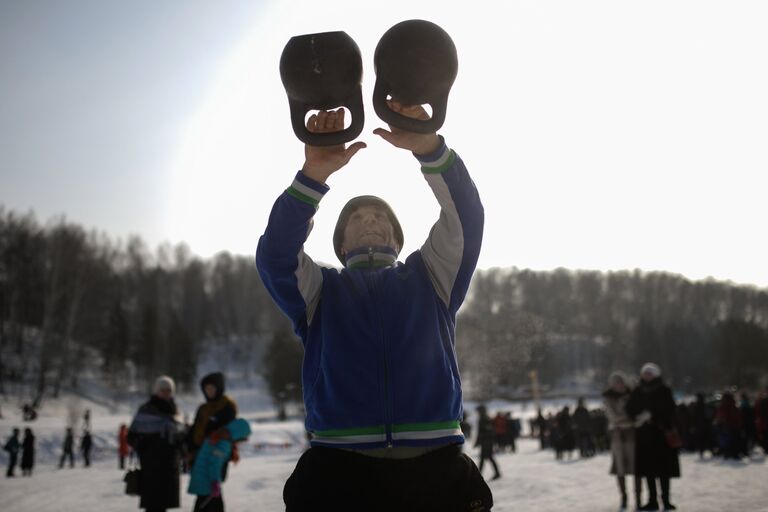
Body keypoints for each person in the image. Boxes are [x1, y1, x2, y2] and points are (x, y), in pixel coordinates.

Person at [257, 102, 489, 511]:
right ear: (341, 243)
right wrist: (313, 176)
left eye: (380, 215)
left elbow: (465, 219)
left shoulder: (431, 276)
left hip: (435, 472)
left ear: (397, 239)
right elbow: (276, 255)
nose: (369, 219)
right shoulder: (320, 291)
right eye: (356, 216)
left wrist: (430, 148)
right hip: (338, 474)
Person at [626, 363, 680, 511]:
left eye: (649, 373)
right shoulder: (638, 390)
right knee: (648, 471)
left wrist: (653, 416)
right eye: (645, 373)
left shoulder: (664, 390)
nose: (646, 375)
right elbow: (629, 408)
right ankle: (652, 501)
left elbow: (670, 410)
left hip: (661, 435)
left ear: (656, 374)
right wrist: (638, 417)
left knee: (664, 471)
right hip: (644, 436)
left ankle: (666, 500)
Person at [128, 375, 185, 512]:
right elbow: (131, 436)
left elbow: (181, 435)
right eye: (162, 389)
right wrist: (144, 445)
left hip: (170, 466)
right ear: (156, 390)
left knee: (164, 505)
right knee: (152, 506)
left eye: (169, 390)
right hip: (151, 466)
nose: (165, 392)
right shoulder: (146, 409)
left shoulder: (175, 410)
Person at [188, 418, 252, 512]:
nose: (239, 442)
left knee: (203, 504)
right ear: (237, 433)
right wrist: (215, 482)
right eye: (241, 438)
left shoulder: (218, 436)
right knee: (213, 507)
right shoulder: (223, 443)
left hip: (202, 478)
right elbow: (214, 464)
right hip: (207, 481)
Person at [603, 372, 641, 511]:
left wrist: (631, 419)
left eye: (620, 382)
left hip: (632, 435)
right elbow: (613, 417)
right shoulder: (607, 398)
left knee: (637, 467)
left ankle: (638, 498)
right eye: (615, 383)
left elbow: (638, 413)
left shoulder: (632, 395)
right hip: (618, 435)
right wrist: (629, 419)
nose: (619, 385)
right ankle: (624, 497)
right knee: (620, 468)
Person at [187, 372, 237, 474]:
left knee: (213, 484)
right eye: (206, 389)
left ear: (218, 388)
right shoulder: (203, 408)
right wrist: (190, 448)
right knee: (201, 486)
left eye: (212, 388)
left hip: (217, 452)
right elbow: (195, 429)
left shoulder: (227, 406)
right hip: (199, 453)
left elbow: (229, 430)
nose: (209, 392)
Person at [475, 405, 501, 481]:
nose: (477, 413)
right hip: (486, 442)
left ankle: (478, 475)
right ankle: (479, 474)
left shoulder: (484, 419)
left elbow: (485, 432)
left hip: (486, 442)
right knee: (485, 458)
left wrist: (479, 441)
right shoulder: (485, 418)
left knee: (487, 457)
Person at [714, 392, 742, 460]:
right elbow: (738, 415)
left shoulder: (723, 406)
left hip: (727, 426)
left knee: (727, 441)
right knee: (734, 441)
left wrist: (719, 423)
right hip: (735, 426)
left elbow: (721, 416)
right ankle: (735, 454)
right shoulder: (733, 404)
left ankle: (728, 454)